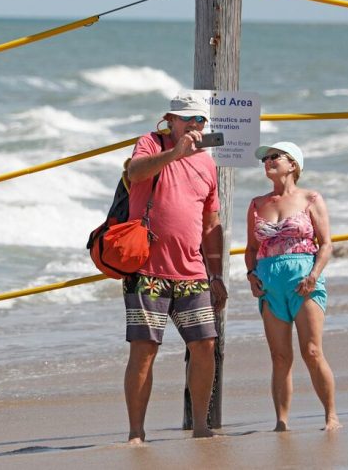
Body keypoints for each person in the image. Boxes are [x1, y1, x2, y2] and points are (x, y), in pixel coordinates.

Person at [122, 91, 227, 442]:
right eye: (189, 120)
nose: (196, 126)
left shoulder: (208, 163)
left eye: (201, 120)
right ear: (171, 120)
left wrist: (216, 274)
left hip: (192, 270)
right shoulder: (150, 143)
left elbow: (211, 224)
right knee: (145, 349)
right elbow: (134, 172)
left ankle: (200, 425)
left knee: (205, 345)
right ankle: (136, 432)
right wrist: (173, 154)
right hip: (147, 269)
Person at [245, 141, 341, 432]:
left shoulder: (310, 198)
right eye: (266, 158)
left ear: (293, 164)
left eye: (276, 157)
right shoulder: (258, 203)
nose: (268, 161)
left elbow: (326, 245)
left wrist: (314, 275)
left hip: (303, 280)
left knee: (311, 351)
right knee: (279, 356)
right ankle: (281, 422)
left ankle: (331, 416)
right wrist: (251, 274)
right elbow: (251, 248)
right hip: (269, 283)